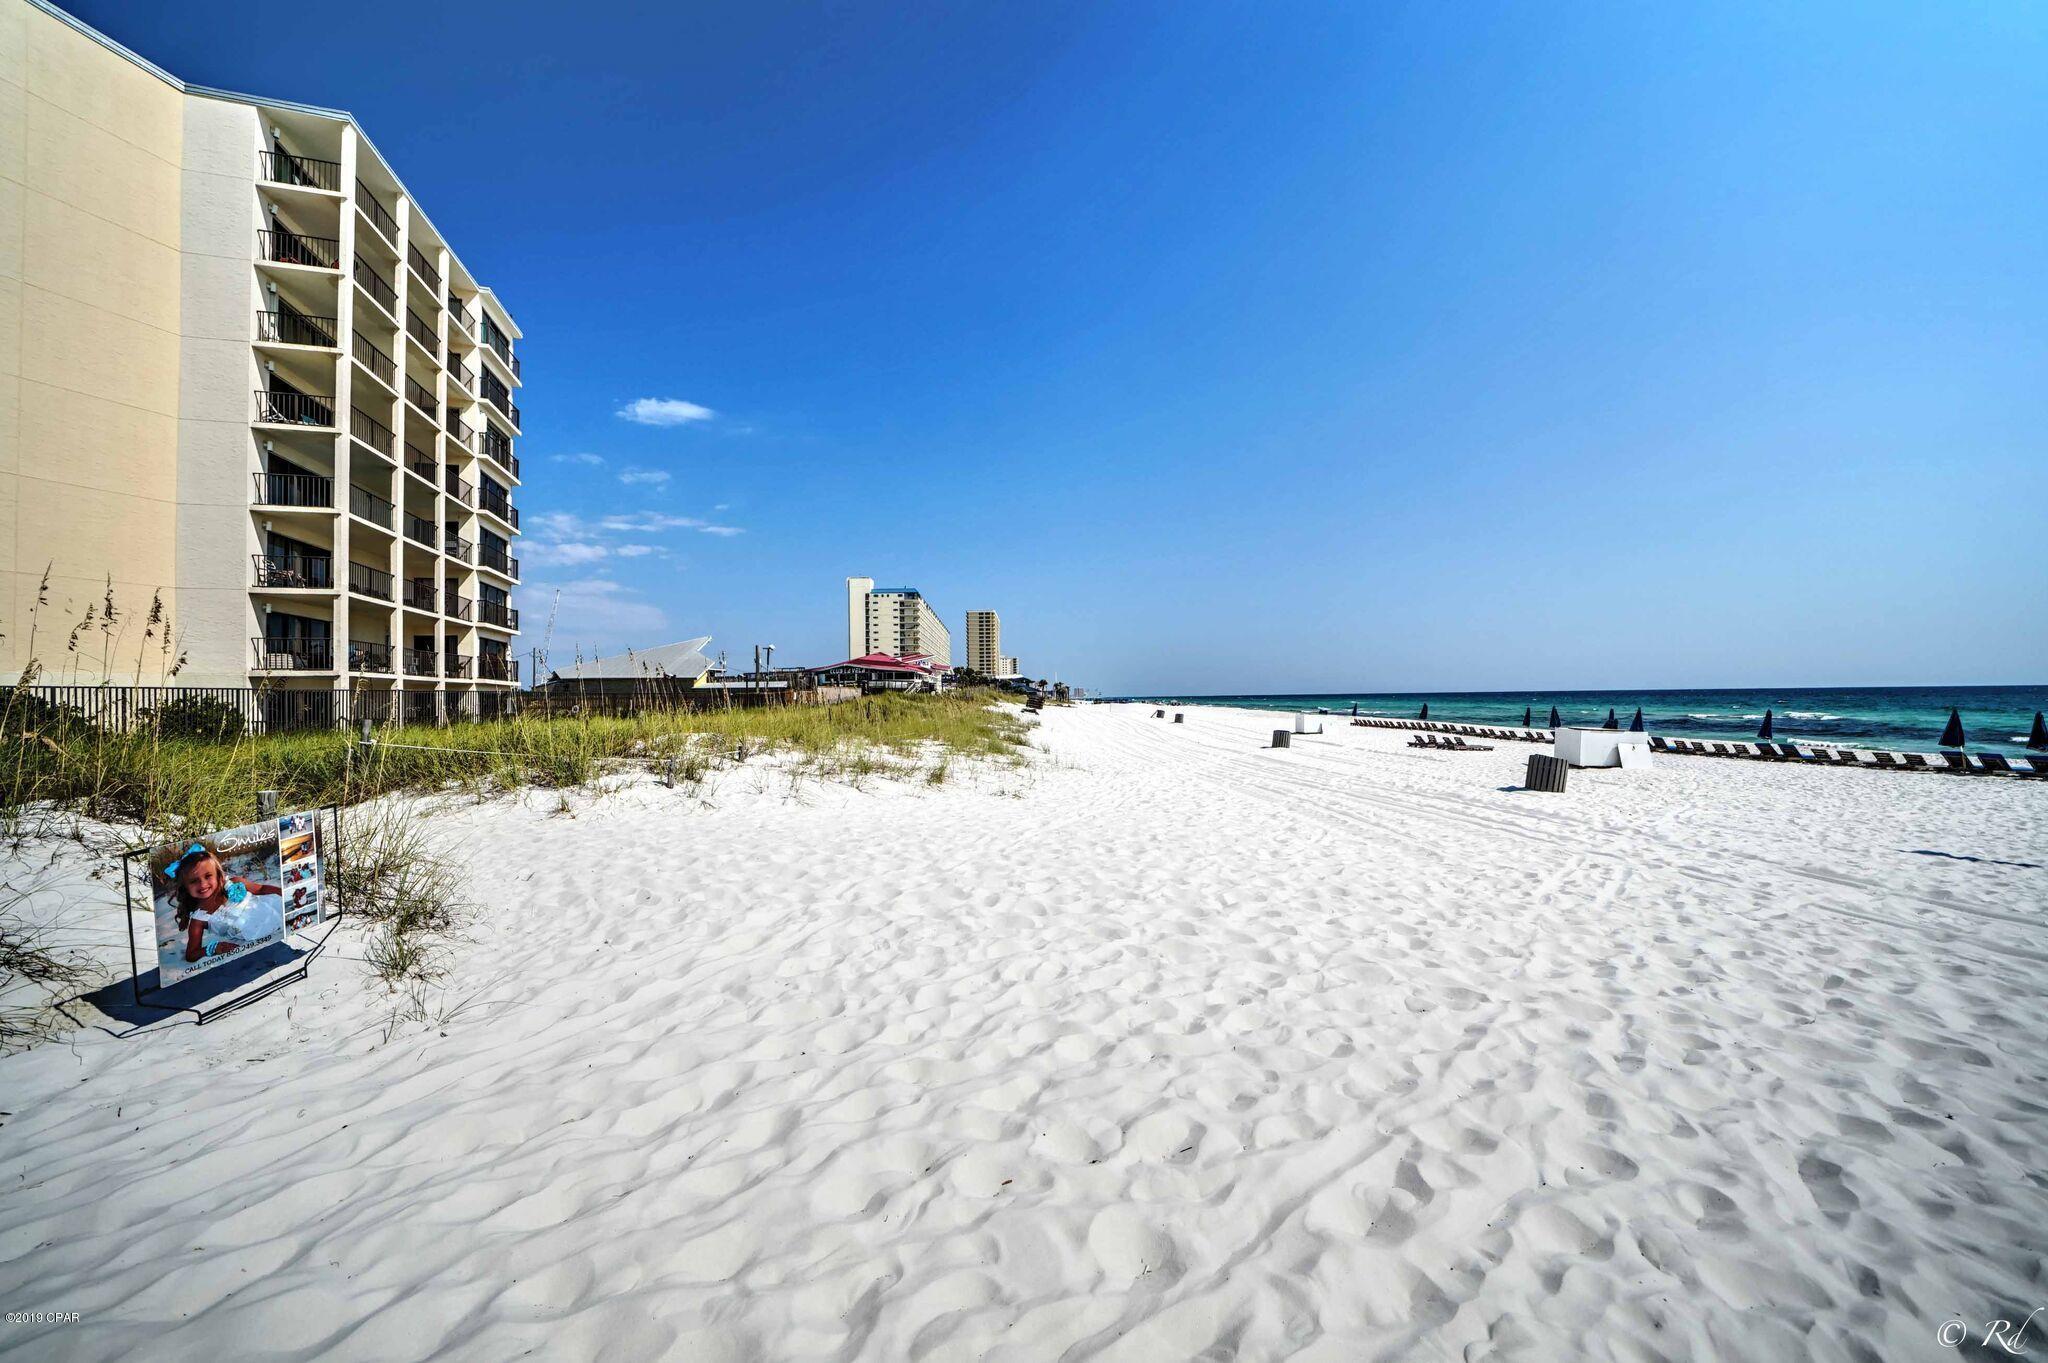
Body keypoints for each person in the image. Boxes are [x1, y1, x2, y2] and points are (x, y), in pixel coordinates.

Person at [160, 841, 282, 964]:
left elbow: (261, 889)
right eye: (194, 881)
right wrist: (212, 949)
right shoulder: (199, 918)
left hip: (276, 914)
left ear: (218, 874)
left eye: (208, 876)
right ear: (185, 887)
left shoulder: (235, 883)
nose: (203, 884)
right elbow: (191, 954)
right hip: (256, 941)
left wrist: (282, 891)